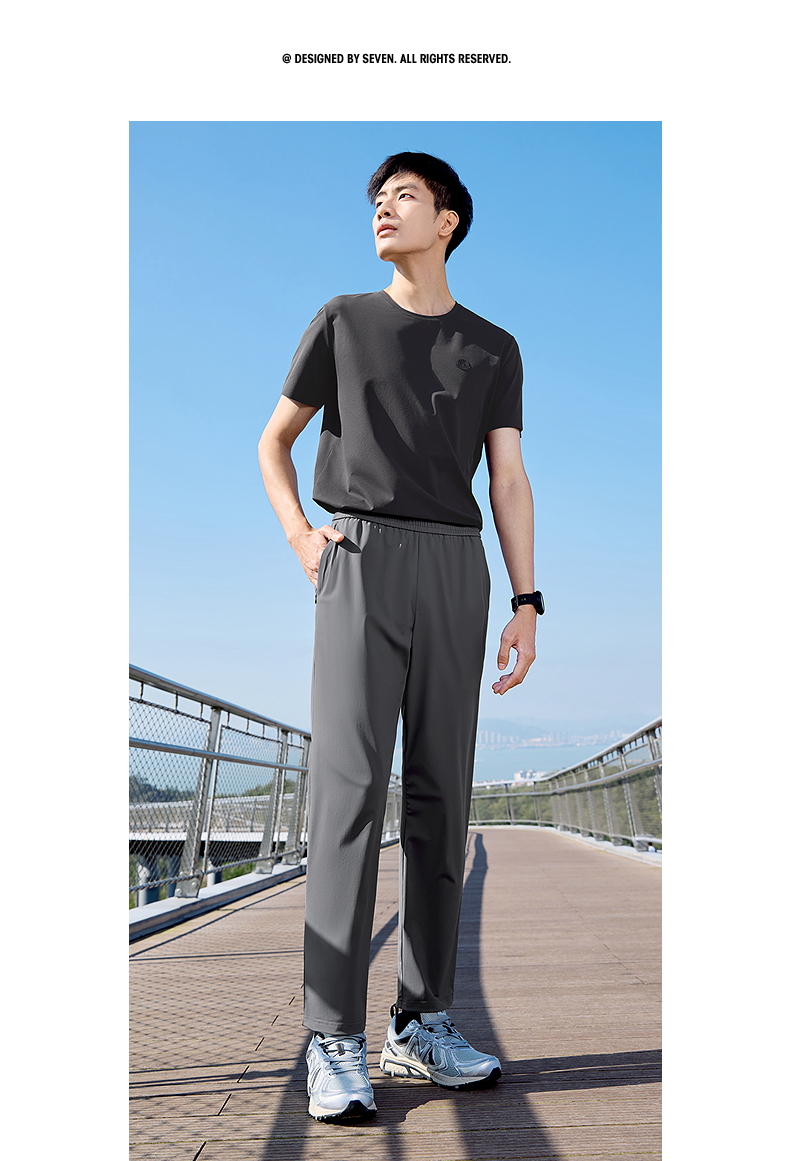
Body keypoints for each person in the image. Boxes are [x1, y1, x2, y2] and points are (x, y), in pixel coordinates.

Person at [258, 151, 543, 1123]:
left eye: (404, 197)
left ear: (448, 220)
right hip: (360, 557)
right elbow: (273, 442)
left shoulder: (493, 347)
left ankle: (421, 1021)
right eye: (377, 200)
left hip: (457, 566)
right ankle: (332, 1033)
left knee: (440, 798)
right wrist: (302, 536)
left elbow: (508, 479)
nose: (383, 209)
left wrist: (527, 600)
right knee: (347, 795)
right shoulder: (342, 320)